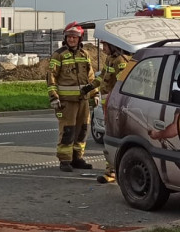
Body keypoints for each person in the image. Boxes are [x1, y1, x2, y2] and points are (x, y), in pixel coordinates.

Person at [47, 23, 97, 172]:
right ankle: (65, 160)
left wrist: (95, 94)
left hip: (83, 101)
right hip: (66, 102)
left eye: (74, 37)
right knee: (68, 130)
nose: (72, 40)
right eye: (69, 37)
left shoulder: (84, 55)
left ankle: (77, 158)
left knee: (82, 130)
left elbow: (91, 77)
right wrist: (54, 97)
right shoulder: (59, 55)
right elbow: (51, 77)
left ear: (79, 38)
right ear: (65, 38)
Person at [94, 40, 130, 183]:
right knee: (110, 137)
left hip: (115, 107)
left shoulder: (121, 61)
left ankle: (112, 172)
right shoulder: (110, 59)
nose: (103, 49)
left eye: (105, 46)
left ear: (113, 46)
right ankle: (113, 170)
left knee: (113, 138)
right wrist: (89, 87)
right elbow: (101, 77)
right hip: (108, 107)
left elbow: (122, 85)